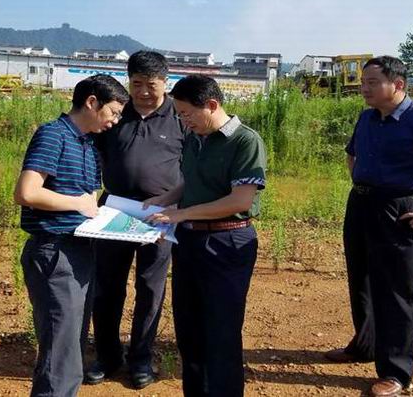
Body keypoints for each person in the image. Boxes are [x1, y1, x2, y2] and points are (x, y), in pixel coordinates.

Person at [324, 56, 413, 397]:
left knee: (397, 290)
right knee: (361, 279)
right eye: (363, 82)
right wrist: (362, 182)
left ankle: (396, 370)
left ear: (398, 84)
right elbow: (352, 154)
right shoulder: (367, 118)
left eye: (372, 82)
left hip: (399, 208)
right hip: (362, 203)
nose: (363, 88)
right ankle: (364, 345)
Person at [147, 74, 266, 397]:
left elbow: (240, 201)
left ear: (211, 105)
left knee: (221, 332)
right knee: (190, 330)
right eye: (179, 115)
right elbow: (193, 180)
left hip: (227, 244)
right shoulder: (195, 138)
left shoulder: (245, 141)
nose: (183, 121)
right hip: (189, 242)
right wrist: (166, 199)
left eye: (187, 113)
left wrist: (181, 213)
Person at [14, 74, 129, 397]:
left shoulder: (88, 143)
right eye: (113, 112)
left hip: (80, 249)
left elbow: (88, 201)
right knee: (61, 345)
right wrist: (78, 203)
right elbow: (26, 192)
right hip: (55, 251)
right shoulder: (53, 135)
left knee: (72, 341)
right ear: (92, 102)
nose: (115, 121)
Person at [85, 52, 187, 389]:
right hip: (114, 211)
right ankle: (107, 356)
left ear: (166, 83)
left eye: (151, 85)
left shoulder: (179, 116)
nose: (143, 91)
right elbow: (91, 150)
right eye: (136, 83)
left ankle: (141, 357)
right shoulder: (116, 113)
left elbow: (193, 165)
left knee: (150, 288)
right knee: (106, 286)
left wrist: (176, 206)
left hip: (160, 216)